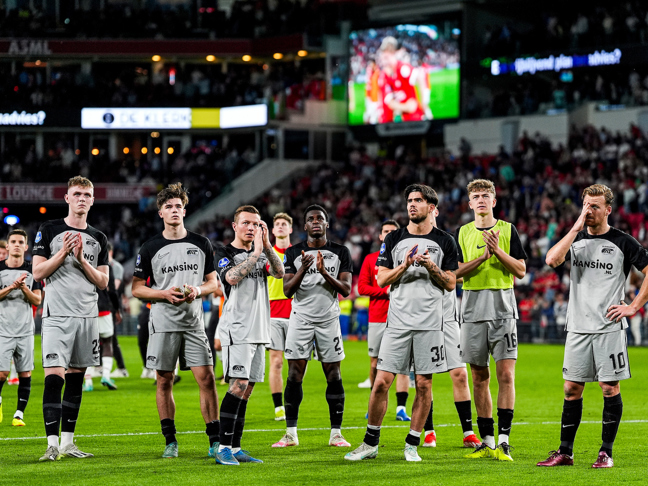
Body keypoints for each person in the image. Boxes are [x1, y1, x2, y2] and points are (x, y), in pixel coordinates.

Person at [538, 184, 648, 468]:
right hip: (577, 327)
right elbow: (551, 260)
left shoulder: (623, 241)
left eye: (595, 206)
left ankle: (606, 453)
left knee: (609, 387)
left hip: (608, 327)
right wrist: (576, 227)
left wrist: (633, 306)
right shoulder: (575, 238)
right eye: (586, 205)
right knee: (571, 389)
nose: (589, 211)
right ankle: (565, 452)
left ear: (608, 210)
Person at [345, 184, 458, 462]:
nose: (412, 204)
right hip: (397, 323)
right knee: (381, 382)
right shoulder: (394, 238)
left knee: (424, 385)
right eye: (409, 200)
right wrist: (405, 265)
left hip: (430, 325)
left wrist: (431, 266)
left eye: (418, 200)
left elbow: (451, 283)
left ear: (431, 207)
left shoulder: (445, 241)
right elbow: (382, 279)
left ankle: (412, 444)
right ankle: (370, 443)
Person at [132, 183, 221, 459]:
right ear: (160, 212)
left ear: (184, 211)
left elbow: (213, 283)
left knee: (207, 379)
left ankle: (215, 441)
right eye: (168, 206)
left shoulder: (201, 243)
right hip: (163, 323)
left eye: (178, 206)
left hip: (194, 324)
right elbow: (136, 288)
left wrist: (197, 290)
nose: (174, 210)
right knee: (164, 381)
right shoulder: (150, 247)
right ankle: (170, 441)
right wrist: (162, 294)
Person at [32, 176, 110, 461]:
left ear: (92, 200)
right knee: (54, 379)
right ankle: (51, 444)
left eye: (86, 195)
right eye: (76, 194)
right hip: (57, 315)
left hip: (87, 316)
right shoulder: (49, 229)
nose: (81, 199)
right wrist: (63, 252)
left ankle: (68, 443)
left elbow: (103, 282)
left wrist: (82, 260)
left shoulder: (99, 238)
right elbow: (38, 272)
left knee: (76, 381)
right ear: (67, 198)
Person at [455, 179, 527, 462]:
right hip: (472, 311)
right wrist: (483, 257)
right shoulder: (462, 233)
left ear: (494, 201)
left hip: (502, 309)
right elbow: (455, 274)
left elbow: (520, 270)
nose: (481, 199)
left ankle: (504, 441)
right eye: (476, 196)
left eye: (486, 195)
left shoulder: (508, 230)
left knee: (506, 375)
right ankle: (487, 441)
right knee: (479, 377)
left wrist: (497, 251)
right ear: (470, 204)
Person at [273, 205, 353, 448]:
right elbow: (287, 291)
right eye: (311, 219)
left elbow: (346, 290)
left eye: (320, 218)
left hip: (329, 320)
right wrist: (303, 269)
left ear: (327, 224)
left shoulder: (341, 251)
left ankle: (336, 434)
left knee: (334, 374)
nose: (316, 221)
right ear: (305, 225)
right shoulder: (293, 252)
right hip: (301, 319)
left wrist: (324, 273)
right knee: (294, 375)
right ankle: (290, 434)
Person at [213, 205, 285, 465]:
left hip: (259, 329)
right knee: (238, 385)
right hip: (237, 328)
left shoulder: (262, 252)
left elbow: (280, 272)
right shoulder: (224, 252)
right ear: (235, 226)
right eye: (246, 223)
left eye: (256, 224)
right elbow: (231, 278)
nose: (251, 228)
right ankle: (222, 447)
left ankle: (235, 447)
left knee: (247, 389)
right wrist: (255, 254)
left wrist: (267, 246)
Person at [423, 208, 481, 448]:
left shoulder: (448, 241)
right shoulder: (410, 241)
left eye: (428, 205)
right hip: (423, 320)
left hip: (448, 319)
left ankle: (468, 433)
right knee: (424, 378)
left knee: (460, 374)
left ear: (435, 210)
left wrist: (448, 274)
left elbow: (458, 275)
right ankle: (428, 431)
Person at [357, 219, 411, 421]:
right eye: (386, 231)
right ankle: (374, 404)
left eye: (393, 231)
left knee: (404, 365)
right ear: (380, 236)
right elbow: (362, 287)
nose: (389, 234)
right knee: (374, 363)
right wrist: (386, 292)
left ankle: (401, 409)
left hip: (402, 317)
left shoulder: (407, 259)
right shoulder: (371, 259)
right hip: (378, 318)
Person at [0, 229, 42, 426]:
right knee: (2, 373)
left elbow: (37, 300)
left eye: (20, 242)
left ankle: (18, 415)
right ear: (7, 246)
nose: (17, 245)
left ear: (26, 247)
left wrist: (24, 287)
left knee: (25, 373)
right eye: (13, 242)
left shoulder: (33, 271)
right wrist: (11, 287)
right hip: (3, 330)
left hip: (25, 330)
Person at [267, 212, 293, 421]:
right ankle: (278, 407)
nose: (281, 226)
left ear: (290, 229)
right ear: (273, 230)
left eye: (284, 223)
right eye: (278, 224)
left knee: (296, 363)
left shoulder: (299, 253)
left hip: (297, 312)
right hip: (273, 312)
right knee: (276, 362)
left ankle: (292, 403)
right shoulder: (266, 254)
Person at [378, 36, 430, 122]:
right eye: (383, 58)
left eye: (386, 57)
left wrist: (424, 104)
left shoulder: (402, 68)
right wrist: (405, 107)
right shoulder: (385, 75)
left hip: (414, 118)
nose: (384, 62)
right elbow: (389, 102)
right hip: (400, 119)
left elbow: (420, 76)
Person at [107, 243, 128, 379]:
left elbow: (113, 288)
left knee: (111, 337)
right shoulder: (101, 265)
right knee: (100, 337)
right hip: (102, 305)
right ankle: (99, 367)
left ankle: (121, 368)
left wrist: (117, 310)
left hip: (111, 306)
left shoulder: (116, 267)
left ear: (110, 252)